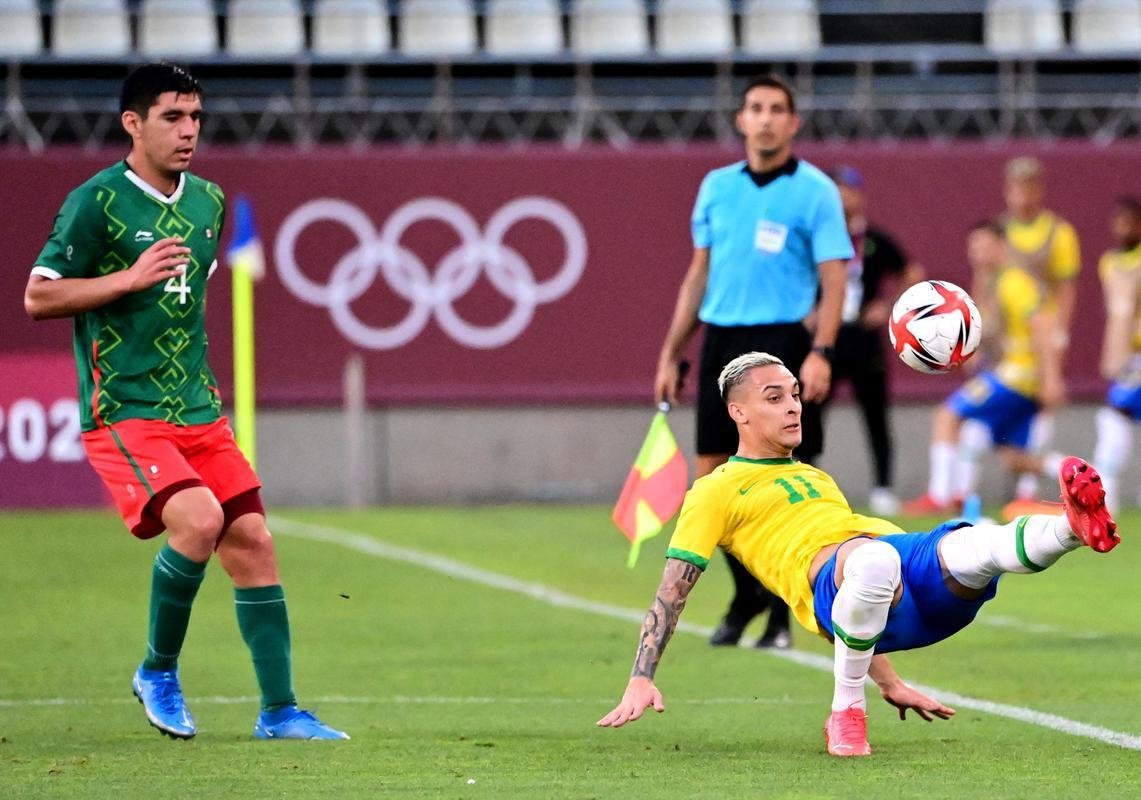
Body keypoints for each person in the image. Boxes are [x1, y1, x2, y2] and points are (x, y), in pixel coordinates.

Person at [22, 63, 347, 741]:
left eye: (195, 117)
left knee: (253, 541)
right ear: (132, 124)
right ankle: (157, 671)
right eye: (172, 117)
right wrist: (125, 277)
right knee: (197, 522)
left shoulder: (208, 202)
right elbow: (39, 296)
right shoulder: (98, 202)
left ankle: (280, 710)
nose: (189, 130)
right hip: (125, 410)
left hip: (197, 410)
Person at [597, 351, 1118, 757]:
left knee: (974, 544)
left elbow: (866, 603)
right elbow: (672, 590)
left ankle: (1073, 528)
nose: (794, 406)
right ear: (738, 412)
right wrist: (641, 676)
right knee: (873, 561)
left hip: (900, 584)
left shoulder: (815, 476)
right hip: (835, 579)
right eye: (774, 398)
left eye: (795, 395)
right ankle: (846, 713)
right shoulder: (714, 489)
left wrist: (890, 680)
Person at [653, 74, 852, 650]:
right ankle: (749, 594)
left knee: (795, 478)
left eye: (777, 110)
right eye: (756, 108)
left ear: (793, 123)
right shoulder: (716, 187)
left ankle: (785, 614)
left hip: (785, 339)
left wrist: (822, 351)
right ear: (741, 119)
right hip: (722, 339)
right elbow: (699, 274)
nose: (765, 118)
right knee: (712, 480)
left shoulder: (815, 191)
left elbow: (834, 276)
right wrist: (672, 351)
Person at [902, 221, 1066, 515]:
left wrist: (1051, 378)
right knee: (1012, 456)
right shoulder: (993, 283)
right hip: (1014, 375)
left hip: (1017, 374)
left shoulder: (1014, 283)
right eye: (974, 248)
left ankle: (940, 495)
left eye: (985, 246)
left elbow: (1042, 324)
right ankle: (1076, 472)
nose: (978, 254)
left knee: (947, 415)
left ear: (1002, 247)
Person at [826, 166, 925, 515]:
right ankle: (806, 479)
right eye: (835, 189)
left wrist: (889, 306)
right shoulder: (819, 238)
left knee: (875, 414)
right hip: (828, 335)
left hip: (864, 337)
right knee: (809, 411)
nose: (842, 197)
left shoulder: (874, 239)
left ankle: (883, 486)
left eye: (847, 189)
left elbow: (911, 271)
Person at [1001, 156, 1081, 503]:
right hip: (1008, 338)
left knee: (1042, 407)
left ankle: (1029, 491)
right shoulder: (1000, 230)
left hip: (1042, 333)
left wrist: (1061, 332)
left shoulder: (1058, 232)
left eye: (1030, 185)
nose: (1023, 194)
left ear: (1040, 189)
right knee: (1005, 416)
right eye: (1017, 185)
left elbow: (1066, 286)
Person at [1092, 197, 1141, 513]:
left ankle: (1102, 494)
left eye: (1130, 222)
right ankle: (1105, 492)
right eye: (1118, 221)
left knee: (1114, 414)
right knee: (1115, 417)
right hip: (1127, 358)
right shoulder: (1108, 262)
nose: (1123, 229)